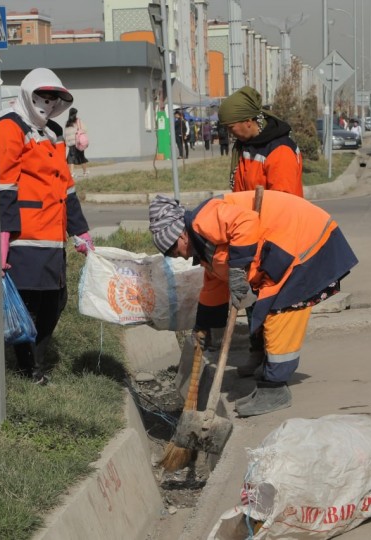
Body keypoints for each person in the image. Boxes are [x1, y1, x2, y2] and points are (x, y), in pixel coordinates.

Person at [148, 191, 358, 417]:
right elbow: (214, 286)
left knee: (281, 312)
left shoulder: (203, 219)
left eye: (173, 250)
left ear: (181, 236)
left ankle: (275, 389)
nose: (177, 256)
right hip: (283, 249)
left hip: (304, 240)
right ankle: (268, 371)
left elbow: (246, 221)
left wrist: (238, 269)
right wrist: (205, 328)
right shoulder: (203, 246)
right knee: (265, 309)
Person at [0, 68, 95, 385]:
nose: (48, 104)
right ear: (28, 93)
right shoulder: (9, 126)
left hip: (52, 237)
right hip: (24, 237)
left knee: (55, 302)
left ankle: (32, 365)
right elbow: (4, 185)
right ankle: (29, 371)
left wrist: (80, 230)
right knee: (28, 307)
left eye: (54, 99)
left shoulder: (51, 133)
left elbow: (65, 187)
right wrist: (2, 238)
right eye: (43, 97)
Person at [217, 86, 305, 372]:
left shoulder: (280, 151)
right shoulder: (245, 148)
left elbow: (284, 203)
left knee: (274, 303)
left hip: (277, 238)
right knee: (252, 299)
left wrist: (264, 239)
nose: (230, 134)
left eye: (232, 128)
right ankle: (258, 351)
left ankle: (275, 365)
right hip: (250, 235)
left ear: (248, 121)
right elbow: (241, 192)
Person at [64, 107, 89, 178]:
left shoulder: (67, 123)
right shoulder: (78, 121)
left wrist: (66, 142)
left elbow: (65, 133)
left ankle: (71, 173)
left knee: (71, 158)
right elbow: (84, 129)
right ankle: (85, 172)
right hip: (78, 142)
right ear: (75, 113)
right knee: (81, 157)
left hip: (70, 143)